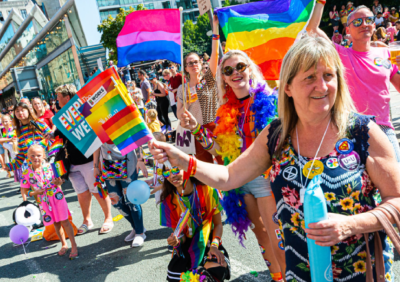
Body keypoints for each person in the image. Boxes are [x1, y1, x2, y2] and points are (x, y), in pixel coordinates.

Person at [150, 35, 400, 282]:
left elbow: (397, 202)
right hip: (299, 274)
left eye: (328, 75)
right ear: (288, 87)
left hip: (360, 272)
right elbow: (229, 175)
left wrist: (352, 225)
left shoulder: (362, 131)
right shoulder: (277, 134)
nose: (322, 86)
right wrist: (184, 160)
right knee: (265, 238)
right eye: (310, 77)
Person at [180, 49, 284, 281]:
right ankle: (278, 278)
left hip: (265, 177)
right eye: (228, 70)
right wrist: (197, 128)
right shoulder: (225, 110)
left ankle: (289, 277)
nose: (236, 73)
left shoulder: (270, 99)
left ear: (249, 68)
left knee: (277, 235)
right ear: (224, 78)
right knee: (262, 236)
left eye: (240, 67)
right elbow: (218, 149)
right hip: (240, 178)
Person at [307, 3, 400, 162]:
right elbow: (312, 29)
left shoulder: (385, 52)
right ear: (348, 30)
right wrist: (320, 3)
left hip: (383, 128)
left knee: (395, 179)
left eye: (368, 20)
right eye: (357, 22)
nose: (364, 24)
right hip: (351, 129)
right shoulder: (340, 53)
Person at [53, 84, 114, 235]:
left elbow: (95, 137)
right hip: (71, 162)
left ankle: (108, 218)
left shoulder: (83, 112)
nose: (56, 100)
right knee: (81, 192)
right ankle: (87, 220)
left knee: (97, 190)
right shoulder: (62, 115)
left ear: (67, 98)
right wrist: (52, 136)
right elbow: (60, 138)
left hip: (88, 160)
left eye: (59, 97)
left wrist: (96, 164)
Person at [161, 167, 230, 282]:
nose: (172, 176)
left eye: (176, 170)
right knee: (179, 276)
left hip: (209, 243)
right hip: (187, 248)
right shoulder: (168, 202)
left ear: (187, 168)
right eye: (166, 172)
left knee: (216, 270)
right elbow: (181, 236)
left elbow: (218, 224)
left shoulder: (209, 190)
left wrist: (214, 246)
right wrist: (176, 240)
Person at [176, 16, 221, 164]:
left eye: (196, 61)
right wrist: (187, 104)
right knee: (205, 169)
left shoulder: (208, 79)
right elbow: (179, 114)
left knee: (224, 163)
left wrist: (215, 28)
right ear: (186, 68)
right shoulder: (183, 89)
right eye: (189, 63)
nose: (193, 64)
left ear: (201, 63)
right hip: (197, 130)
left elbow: (215, 54)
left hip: (216, 127)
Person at [21, 144, 78, 259]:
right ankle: (64, 244)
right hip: (43, 201)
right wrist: (34, 193)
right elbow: (24, 191)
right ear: (28, 156)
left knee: (65, 221)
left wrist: (59, 182)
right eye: (32, 155)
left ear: (44, 156)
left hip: (57, 197)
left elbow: (62, 180)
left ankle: (74, 245)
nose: (36, 158)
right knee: (56, 223)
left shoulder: (53, 166)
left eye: (38, 155)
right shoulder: (25, 173)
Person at [100, 142, 148, 247]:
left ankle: (140, 232)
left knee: (132, 199)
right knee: (116, 202)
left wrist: (140, 159)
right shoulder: (96, 124)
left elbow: (135, 134)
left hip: (128, 159)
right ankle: (136, 227)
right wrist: (95, 166)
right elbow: (95, 144)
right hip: (107, 161)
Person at [6, 102, 51, 201]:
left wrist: (48, 138)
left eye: (22, 110)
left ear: (29, 111)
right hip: (31, 169)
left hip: (45, 165)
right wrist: (10, 166)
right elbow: (22, 154)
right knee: (39, 198)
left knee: (53, 193)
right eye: (17, 111)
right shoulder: (19, 131)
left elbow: (52, 138)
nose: (20, 113)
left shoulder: (39, 123)